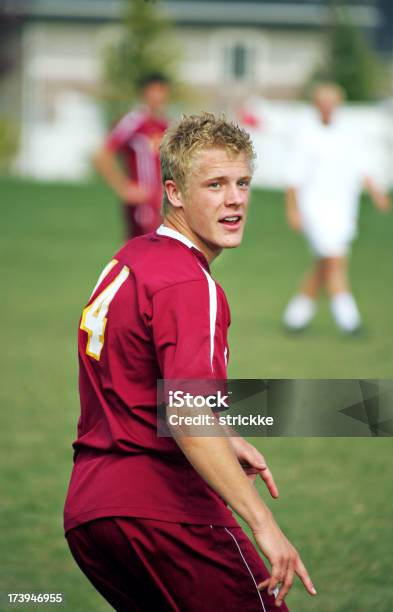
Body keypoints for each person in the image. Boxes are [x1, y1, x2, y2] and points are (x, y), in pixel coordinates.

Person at [64, 112, 316, 611]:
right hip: (164, 511)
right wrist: (264, 524)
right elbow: (187, 414)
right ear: (175, 192)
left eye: (243, 183)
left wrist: (224, 435)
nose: (236, 199)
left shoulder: (132, 258)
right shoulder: (190, 284)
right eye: (216, 184)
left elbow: (137, 388)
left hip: (91, 512)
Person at [283, 83, 391, 333]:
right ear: (316, 105)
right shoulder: (306, 135)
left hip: (343, 208)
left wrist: (376, 193)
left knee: (326, 262)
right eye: (324, 102)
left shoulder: (347, 133)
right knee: (334, 260)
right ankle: (349, 320)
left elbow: (362, 166)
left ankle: (295, 316)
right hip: (316, 208)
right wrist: (293, 209)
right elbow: (293, 177)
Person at [93, 72, 170, 239]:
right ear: (144, 93)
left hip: (163, 202)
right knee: (143, 252)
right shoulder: (134, 121)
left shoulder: (166, 125)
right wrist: (124, 187)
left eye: (162, 91)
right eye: (154, 91)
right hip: (142, 201)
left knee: (163, 255)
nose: (158, 97)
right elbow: (102, 155)